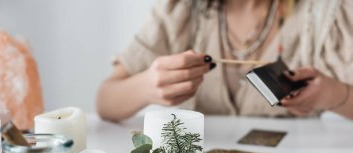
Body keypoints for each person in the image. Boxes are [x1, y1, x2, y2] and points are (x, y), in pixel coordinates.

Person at [97, 0, 353, 121]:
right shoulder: (182, 11)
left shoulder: (326, 14)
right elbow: (105, 101)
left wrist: (336, 95)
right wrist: (148, 86)